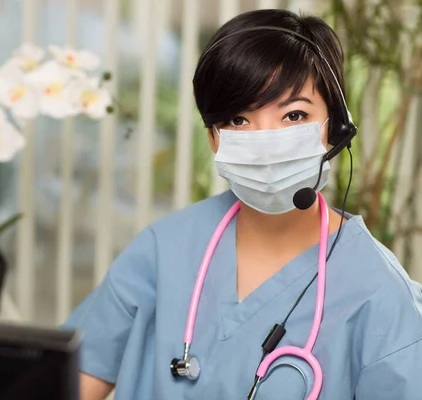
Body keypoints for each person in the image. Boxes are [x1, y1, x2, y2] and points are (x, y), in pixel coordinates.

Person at [62, 9, 422, 400]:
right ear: (214, 138)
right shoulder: (163, 250)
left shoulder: (381, 294)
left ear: (335, 129)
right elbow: (67, 382)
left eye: (294, 115)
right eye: (238, 120)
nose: (265, 141)